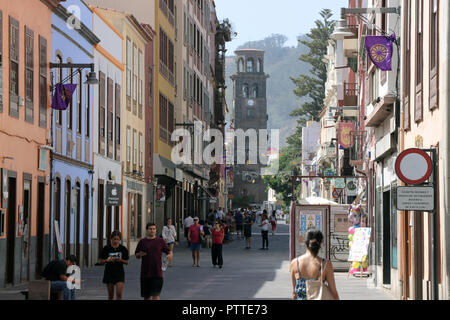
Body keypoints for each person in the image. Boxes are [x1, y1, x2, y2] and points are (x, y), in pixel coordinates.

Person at [290, 228, 339, 300]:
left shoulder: (294, 263)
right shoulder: (325, 264)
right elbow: (333, 291)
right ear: (320, 244)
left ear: (305, 242)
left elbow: (294, 293)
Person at [135, 223, 173, 300]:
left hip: (157, 272)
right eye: (150, 229)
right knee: (146, 297)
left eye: (154, 229)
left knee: (155, 295)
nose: (152, 231)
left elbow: (169, 252)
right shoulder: (142, 242)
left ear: (156, 230)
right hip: (145, 273)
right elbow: (137, 255)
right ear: (146, 230)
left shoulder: (160, 241)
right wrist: (140, 254)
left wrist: (170, 256)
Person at [99, 231, 129, 300]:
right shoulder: (106, 248)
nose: (116, 241)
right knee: (110, 295)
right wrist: (107, 260)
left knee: (119, 293)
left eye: (117, 239)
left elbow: (126, 262)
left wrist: (120, 260)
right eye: (114, 239)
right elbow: (101, 261)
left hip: (119, 273)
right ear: (111, 239)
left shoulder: (123, 249)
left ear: (120, 239)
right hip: (109, 273)